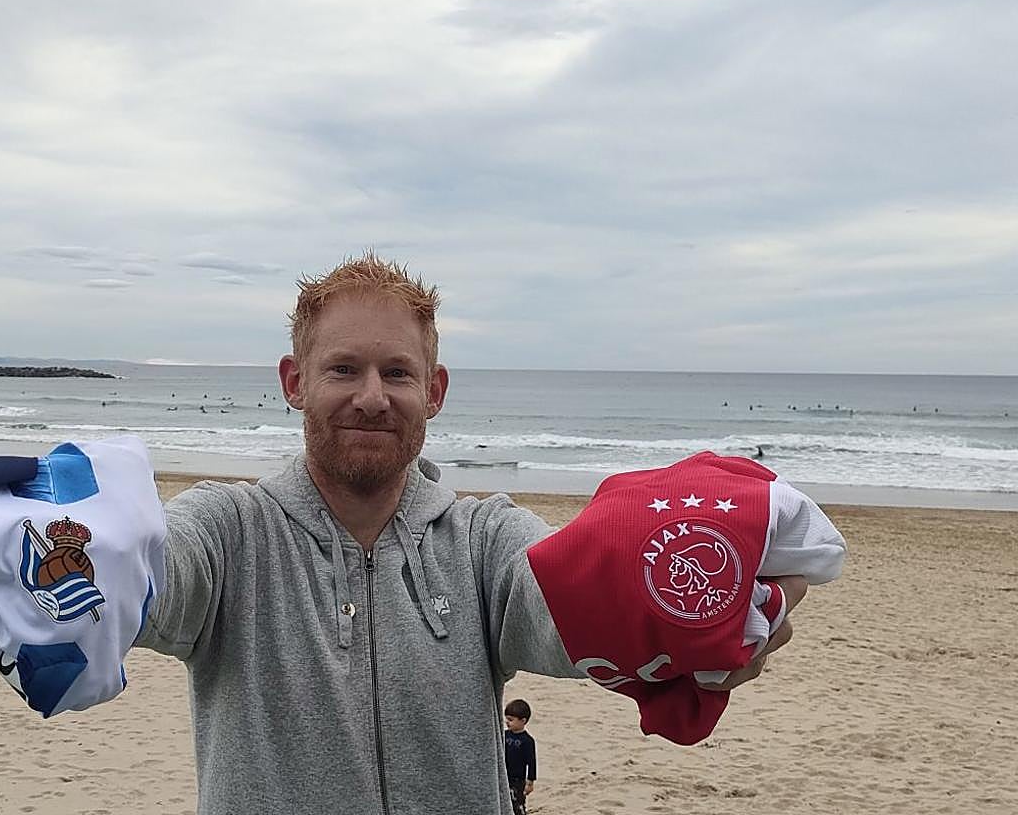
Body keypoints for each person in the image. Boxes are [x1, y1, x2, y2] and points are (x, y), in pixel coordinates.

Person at [129, 253, 807, 815]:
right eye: (343, 369)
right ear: (294, 381)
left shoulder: (483, 540)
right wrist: (88, 560)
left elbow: (570, 595)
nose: (372, 397)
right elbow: (151, 570)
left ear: (435, 391)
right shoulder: (231, 532)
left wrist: (683, 613)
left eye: (398, 372)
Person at [503, 699, 537, 815]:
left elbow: (531, 762)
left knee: (517, 803)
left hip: (518, 780)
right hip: (503, 775)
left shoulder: (527, 741)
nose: (507, 722)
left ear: (523, 721)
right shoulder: (504, 735)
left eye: (511, 720)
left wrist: (530, 782)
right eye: (507, 719)